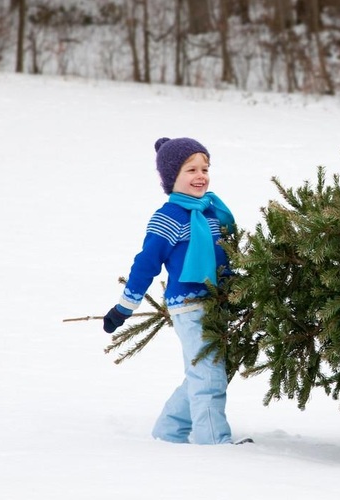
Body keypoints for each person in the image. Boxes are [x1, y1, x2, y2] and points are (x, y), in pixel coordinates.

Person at [102, 137, 241, 445]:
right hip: (189, 306)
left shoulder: (210, 213)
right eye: (191, 169)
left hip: (216, 302)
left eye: (205, 168)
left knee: (206, 370)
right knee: (208, 373)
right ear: (171, 177)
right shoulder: (168, 218)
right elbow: (146, 264)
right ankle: (214, 442)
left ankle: (169, 430)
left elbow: (223, 258)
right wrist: (124, 307)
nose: (201, 175)